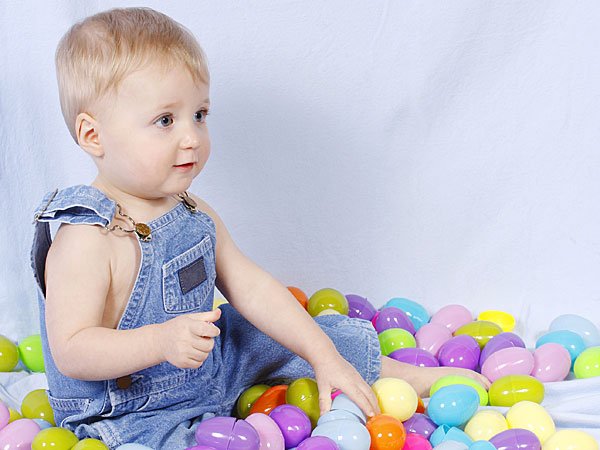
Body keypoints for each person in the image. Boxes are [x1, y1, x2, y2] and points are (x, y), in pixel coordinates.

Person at [30, 7, 489, 449]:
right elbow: (73, 349)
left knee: (279, 331)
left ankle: (383, 372)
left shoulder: (192, 211)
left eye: (200, 114)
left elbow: (250, 288)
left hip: (210, 365)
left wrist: (322, 355)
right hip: (130, 408)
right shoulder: (86, 239)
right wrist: (158, 341)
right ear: (93, 135)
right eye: (165, 120)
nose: (191, 136)